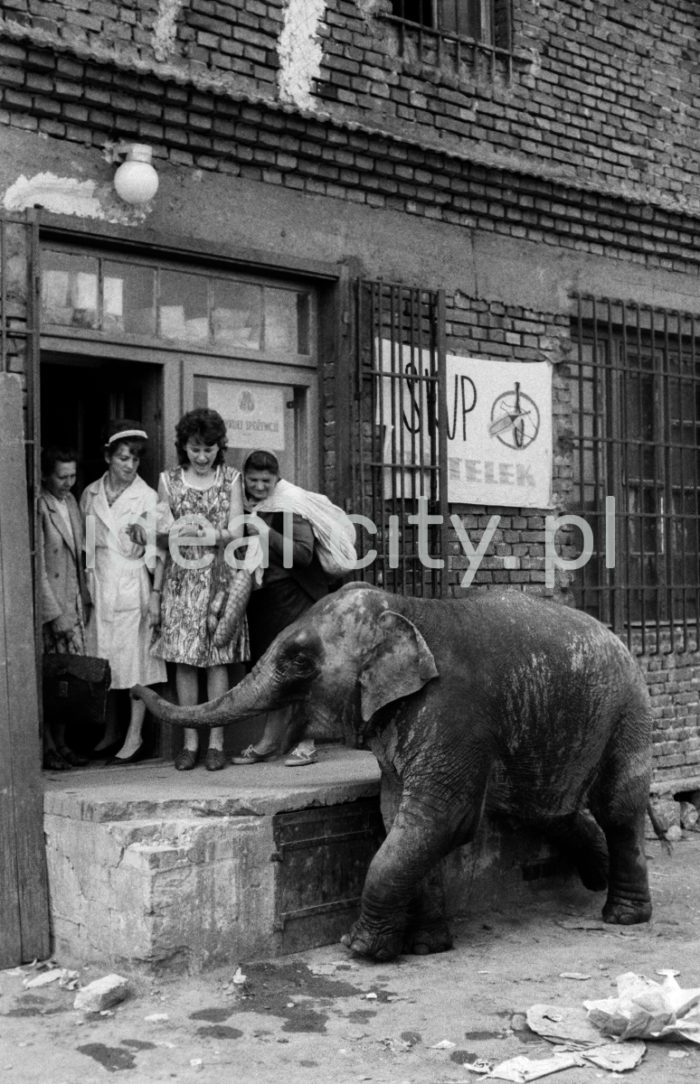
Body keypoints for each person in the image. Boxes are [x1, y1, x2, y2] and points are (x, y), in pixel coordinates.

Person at [150, 408, 249, 771]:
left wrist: (206, 534)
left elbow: (237, 532)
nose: (203, 456)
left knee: (218, 660)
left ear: (219, 447)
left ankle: (217, 743)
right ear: (184, 447)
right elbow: (162, 537)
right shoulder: (168, 480)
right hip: (180, 581)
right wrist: (155, 594)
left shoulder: (231, 478)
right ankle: (191, 740)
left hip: (220, 581)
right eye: (195, 449)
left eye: (209, 449)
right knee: (186, 661)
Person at [231, 449, 329, 768]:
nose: (259, 486)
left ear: (277, 478)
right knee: (273, 674)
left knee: (298, 673)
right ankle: (270, 742)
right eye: (253, 480)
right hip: (265, 600)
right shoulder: (250, 506)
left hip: (292, 599)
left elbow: (302, 554)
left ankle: (306, 742)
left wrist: (265, 532)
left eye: (266, 480)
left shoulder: (289, 507)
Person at [80, 420, 167, 764]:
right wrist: (86, 585)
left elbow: (159, 553)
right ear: (107, 457)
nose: (130, 466)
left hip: (133, 583)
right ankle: (111, 730)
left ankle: (134, 734)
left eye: (135, 460)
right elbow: (87, 544)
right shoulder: (90, 493)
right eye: (123, 458)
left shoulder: (147, 497)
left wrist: (144, 543)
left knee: (135, 665)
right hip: (100, 582)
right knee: (106, 663)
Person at [39, 445, 92, 770]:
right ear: (46, 474)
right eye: (62, 476)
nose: (68, 482)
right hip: (53, 607)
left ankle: (63, 743)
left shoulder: (71, 501)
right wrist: (53, 612)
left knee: (67, 681)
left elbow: (79, 555)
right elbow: (40, 567)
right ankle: (47, 746)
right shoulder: (40, 505)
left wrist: (83, 598)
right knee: (49, 678)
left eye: (73, 476)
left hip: (72, 600)